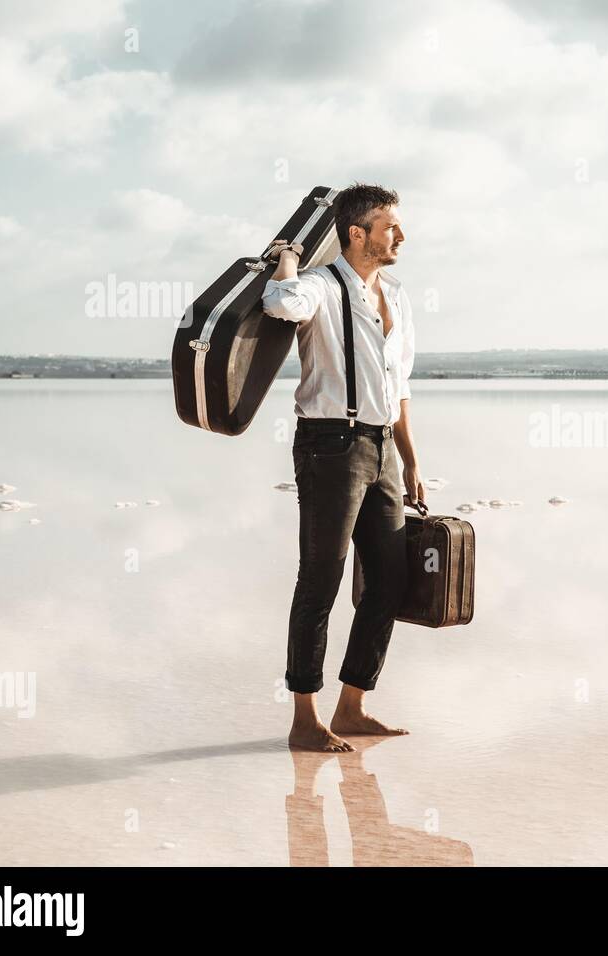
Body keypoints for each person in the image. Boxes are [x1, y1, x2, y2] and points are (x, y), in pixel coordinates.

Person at [262, 183, 423, 752]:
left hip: (382, 452)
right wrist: (287, 256)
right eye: (389, 227)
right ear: (357, 234)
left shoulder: (397, 296)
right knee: (321, 579)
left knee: (390, 580)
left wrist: (411, 462)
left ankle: (352, 706)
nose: (400, 235)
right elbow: (279, 302)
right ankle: (305, 718)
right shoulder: (321, 286)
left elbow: (397, 385)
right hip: (330, 446)